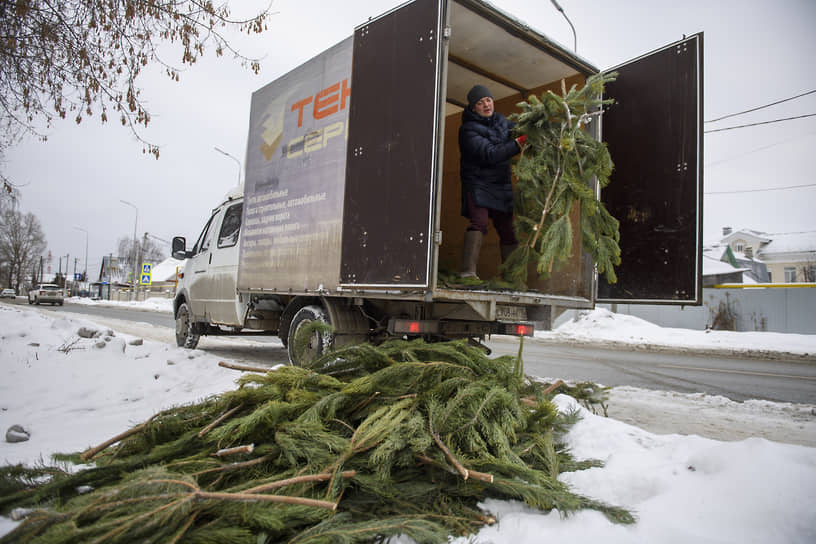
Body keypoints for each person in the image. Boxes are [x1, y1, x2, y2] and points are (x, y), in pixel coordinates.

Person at [458, 84, 526, 279]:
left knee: (508, 230)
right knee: (479, 223)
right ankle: (467, 273)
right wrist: (518, 143)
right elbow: (490, 154)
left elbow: (523, 128)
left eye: (488, 100)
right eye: (480, 103)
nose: (486, 105)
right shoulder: (468, 130)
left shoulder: (502, 122)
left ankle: (512, 277)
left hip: (501, 185)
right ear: (473, 108)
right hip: (478, 184)